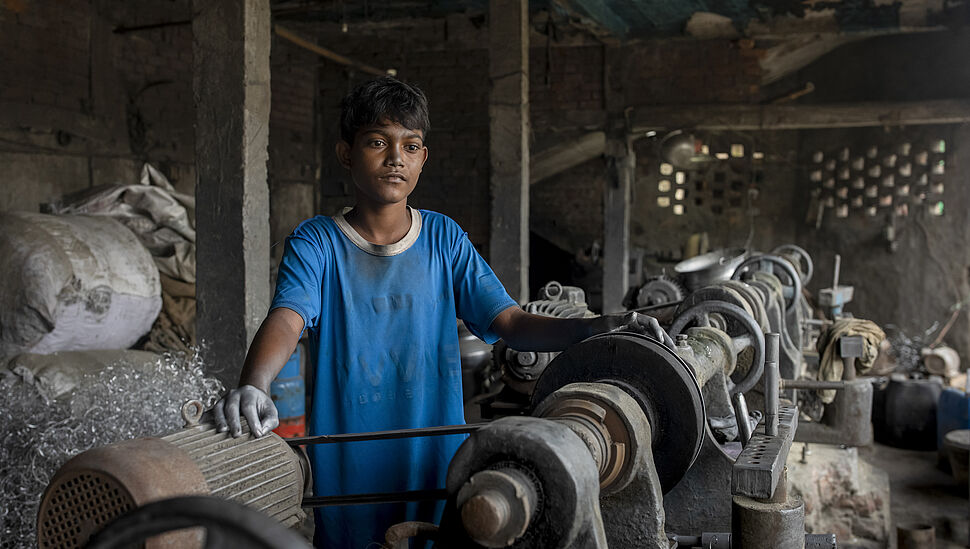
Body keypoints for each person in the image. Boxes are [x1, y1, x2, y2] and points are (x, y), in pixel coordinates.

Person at [213, 76, 672, 548]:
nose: (396, 158)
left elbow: (511, 323)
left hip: (436, 464)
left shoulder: (443, 238)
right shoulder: (317, 243)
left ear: (423, 158)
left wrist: (598, 327)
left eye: (410, 146)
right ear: (346, 153)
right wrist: (255, 384)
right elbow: (288, 316)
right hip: (350, 472)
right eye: (377, 142)